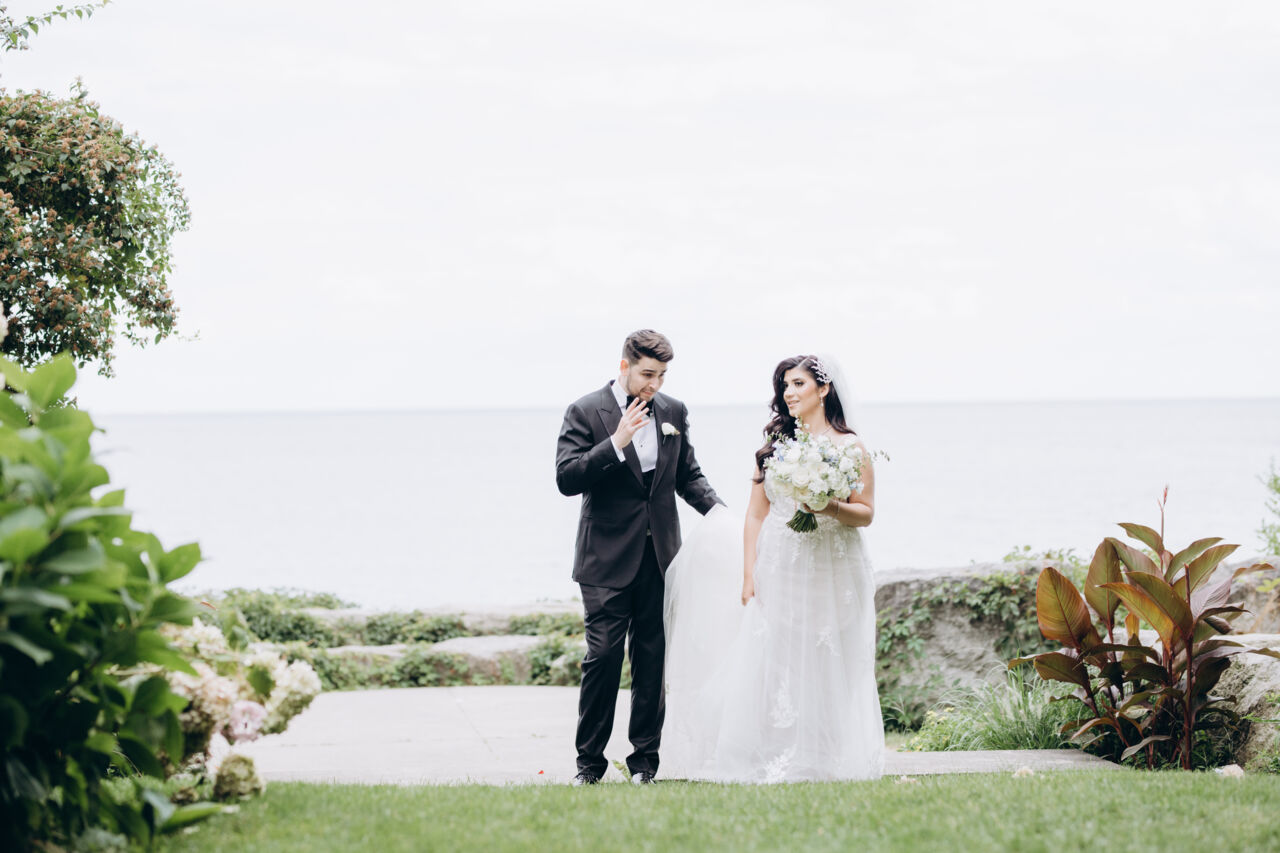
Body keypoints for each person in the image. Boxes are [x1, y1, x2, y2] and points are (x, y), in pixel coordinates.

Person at [662, 353, 884, 782]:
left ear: (823, 389)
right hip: (782, 565)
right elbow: (755, 515)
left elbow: (866, 513)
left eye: (799, 383)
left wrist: (830, 506)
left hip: (835, 566)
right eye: (785, 385)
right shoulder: (777, 446)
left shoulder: (851, 447)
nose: (789, 393)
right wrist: (749, 575)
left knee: (831, 657)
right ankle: (777, 750)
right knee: (778, 660)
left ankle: (827, 753)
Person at [555, 329, 723, 785]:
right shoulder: (585, 410)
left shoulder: (673, 411)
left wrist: (723, 516)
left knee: (652, 662)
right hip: (604, 559)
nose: (655, 384)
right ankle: (589, 766)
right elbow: (567, 478)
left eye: (662, 375)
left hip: (661, 557)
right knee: (603, 658)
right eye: (648, 374)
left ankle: (644, 765)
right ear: (624, 366)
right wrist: (616, 442)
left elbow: (688, 476)